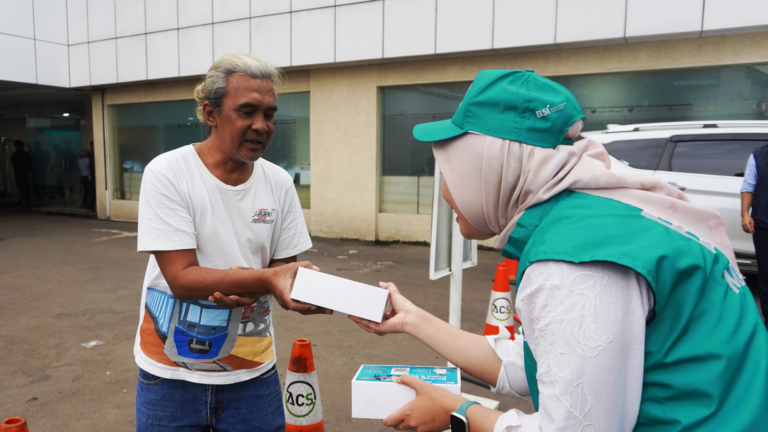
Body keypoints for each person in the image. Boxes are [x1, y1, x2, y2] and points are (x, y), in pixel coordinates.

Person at [350, 70, 768, 432]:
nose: (445, 194)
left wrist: (458, 412)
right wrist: (412, 320)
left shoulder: (574, 259)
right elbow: (543, 362)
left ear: (492, 169)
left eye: (452, 171)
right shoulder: (606, 216)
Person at [133, 54, 330, 432]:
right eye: (247, 111)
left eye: (269, 114)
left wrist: (304, 290)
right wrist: (262, 282)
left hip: (252, 375)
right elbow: (181, 278)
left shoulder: (278, 182)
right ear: (211, 113)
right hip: (170, 377)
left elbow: (280, 270)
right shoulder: (168, 173)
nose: (261, 125)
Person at [740, 147, 768, 327]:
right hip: (765, 224)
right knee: (766, 276)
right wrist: (745, 213)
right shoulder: (759, 156)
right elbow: (748, 186)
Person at [10, 140, 32, 205]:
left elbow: (12, 161)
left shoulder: (14, 154)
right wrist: (28, 170)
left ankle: (23, 197)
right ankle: (27, 198)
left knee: (19, 185)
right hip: (25, 171)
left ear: (15, 146)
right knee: (26, 184)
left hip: (18, 170)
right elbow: (29, 162)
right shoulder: (26, 153)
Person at [77, 148, 95, 213]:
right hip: (88, 177)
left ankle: (83, 205)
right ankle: (88, 206)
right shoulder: (88, 160)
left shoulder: (79, 160)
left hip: (82, 177)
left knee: (85, 192)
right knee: (89, 192)